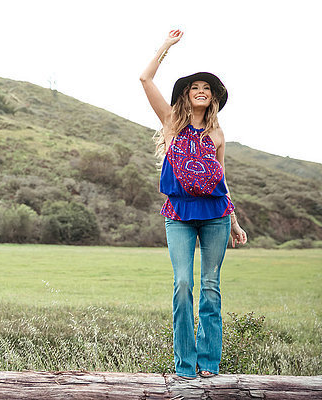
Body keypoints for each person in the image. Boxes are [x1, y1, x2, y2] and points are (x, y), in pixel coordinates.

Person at [139, 29, 248, 379]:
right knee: (184, 284)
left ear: (213, 98)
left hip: (216, 215)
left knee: (211, 288)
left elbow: (221, 179)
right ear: (186, 95)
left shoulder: (217, 135)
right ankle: (185, 367)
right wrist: (167, 46)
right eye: (194, 88)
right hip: (180, 214)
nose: (201, 92)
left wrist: (233, 220)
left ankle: (209, 365)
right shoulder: (171, 123)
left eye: (207, 89)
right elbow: (144, 77)